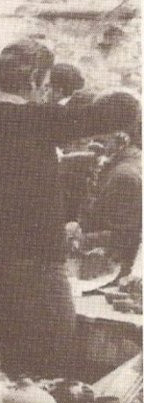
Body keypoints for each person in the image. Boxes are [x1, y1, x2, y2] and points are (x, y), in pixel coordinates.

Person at [0, 39, 141, 375]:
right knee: (48, 376)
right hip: (37, 275)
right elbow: (125, 109)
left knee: (7, 375)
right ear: (32, 82)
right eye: (45, 86)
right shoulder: (31, 120)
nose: (46, 95)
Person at [79, 105, 142, 276]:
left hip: (111, 272)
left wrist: (77, 239)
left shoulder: (123, 176)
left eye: (101, 132)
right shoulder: (123, 165)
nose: (93, 139)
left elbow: (124, 237)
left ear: (120, 137)